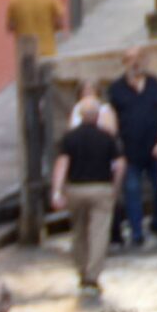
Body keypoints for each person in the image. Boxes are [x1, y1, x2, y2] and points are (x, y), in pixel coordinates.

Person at [51, 97, 123, 291]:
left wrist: (57, 190)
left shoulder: (70, 137)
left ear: (80, 116)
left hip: (76, 188)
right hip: (101, 187)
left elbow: (62, 164)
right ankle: (93, 274)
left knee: (78, 231)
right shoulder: (107, 137)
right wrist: (115, 187)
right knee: (98, 232)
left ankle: (82, 270)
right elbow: (119, 165)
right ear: (98, 116)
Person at [107, 49, 157, 250]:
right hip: (131, 150)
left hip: (156, 148)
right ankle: (136, 231)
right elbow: (111, 116)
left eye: (139, 59)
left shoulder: (154, 83)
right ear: (124, 62)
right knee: (132, 190)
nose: (135, 63)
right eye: (131, 60)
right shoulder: (116, 88)